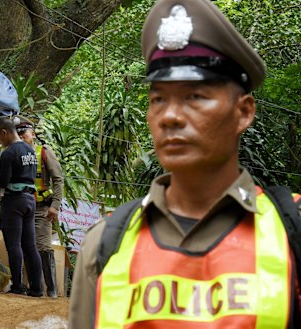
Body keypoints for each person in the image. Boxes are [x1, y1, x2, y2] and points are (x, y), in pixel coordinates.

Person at [69, 0, 301, 328]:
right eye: (158, 99)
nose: (171, 116)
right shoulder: (105, 244)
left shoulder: (290, 232)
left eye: (195, 96)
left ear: (244, 112)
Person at [0, 116, 43, 297]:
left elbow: (3, 181)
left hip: (14, 201)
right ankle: (36, 288)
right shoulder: (30, 150)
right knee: (30, 245)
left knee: (14, 245)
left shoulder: (9, 153)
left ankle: (18, 286)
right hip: (30, 200)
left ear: (4, 133)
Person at [15, 116, 63, 298]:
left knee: (43, 247)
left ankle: (51, 290)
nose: (20, 137)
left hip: (42, 208)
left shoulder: (43, 152)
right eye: (17, 134)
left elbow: (58, 179)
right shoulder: (15, 154)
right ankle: (33, 287)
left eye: (23, 134)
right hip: (21, 209)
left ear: (32, 134)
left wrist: (55, 206)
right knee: (25, 247)